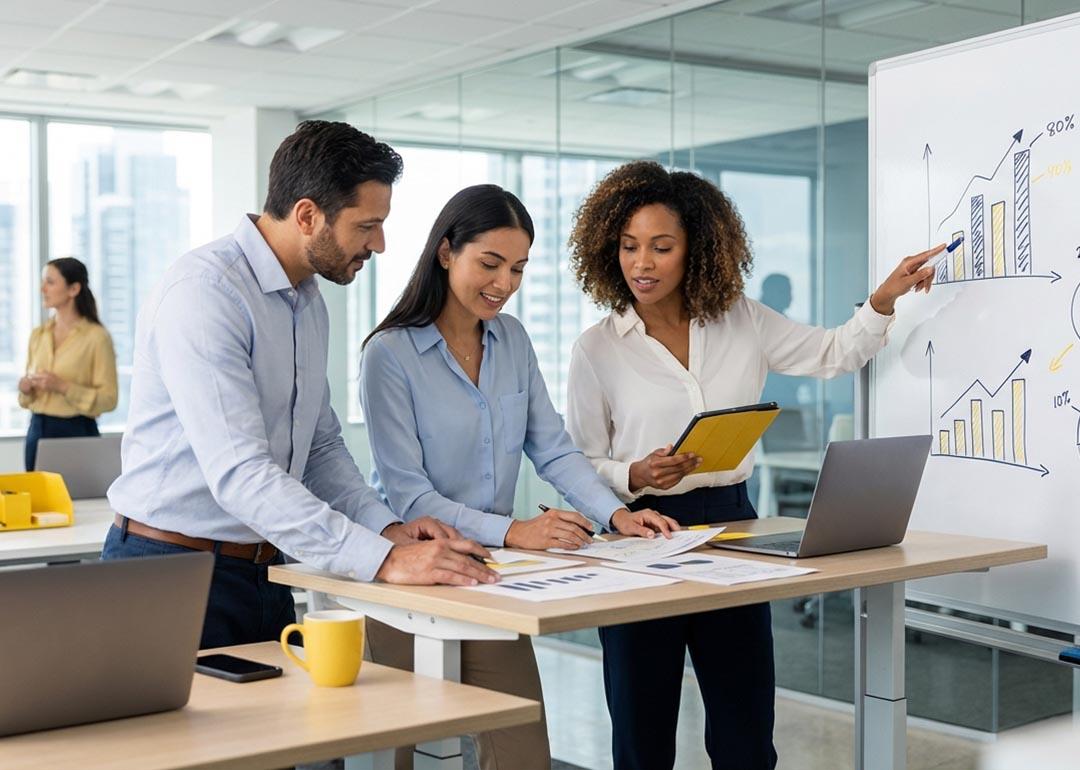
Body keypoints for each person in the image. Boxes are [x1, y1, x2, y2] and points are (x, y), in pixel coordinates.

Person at [564, 160, 941, 770]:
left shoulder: (742, 318)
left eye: (662, 247)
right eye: (630, 247)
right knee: (642, 728)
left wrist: (883, 298)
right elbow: (579, 460)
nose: (642, 263)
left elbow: (834, 352)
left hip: (733, 527)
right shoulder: (598, 348)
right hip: (641, 531)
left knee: (744, 725)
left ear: (697, 249)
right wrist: (635, 475)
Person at [104, 121, 497, 650]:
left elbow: (319, 446)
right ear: (308, 215)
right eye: (368, 225)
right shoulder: (206, 293)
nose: (379, 244)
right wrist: (384, 561)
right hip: (169, 572)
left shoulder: (307, 300)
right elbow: (242, 473)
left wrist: (385, 530)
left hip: (267, 571)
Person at [359, 184, 678, 770]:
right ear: (446, 252)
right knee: (397, 757)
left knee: (522, 752)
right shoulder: (390, 354)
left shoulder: (513, 340)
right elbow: (410, 497)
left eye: (518, 269)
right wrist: (516, 531)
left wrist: (616, 514)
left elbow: (552, 448)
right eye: (490, 263)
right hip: (405, 580)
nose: (504, 283)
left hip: (487, 580)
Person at [19, 257, 117, 471]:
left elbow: (109, 399)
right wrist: (25, 388)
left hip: (76, 431)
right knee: (38, 502)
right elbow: (27, 397)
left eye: (50, 282)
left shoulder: (97, 337)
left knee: (76, 500)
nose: (42, 289)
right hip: (37, 429)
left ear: (73, 289)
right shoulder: (38, 334)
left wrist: (62, 387)